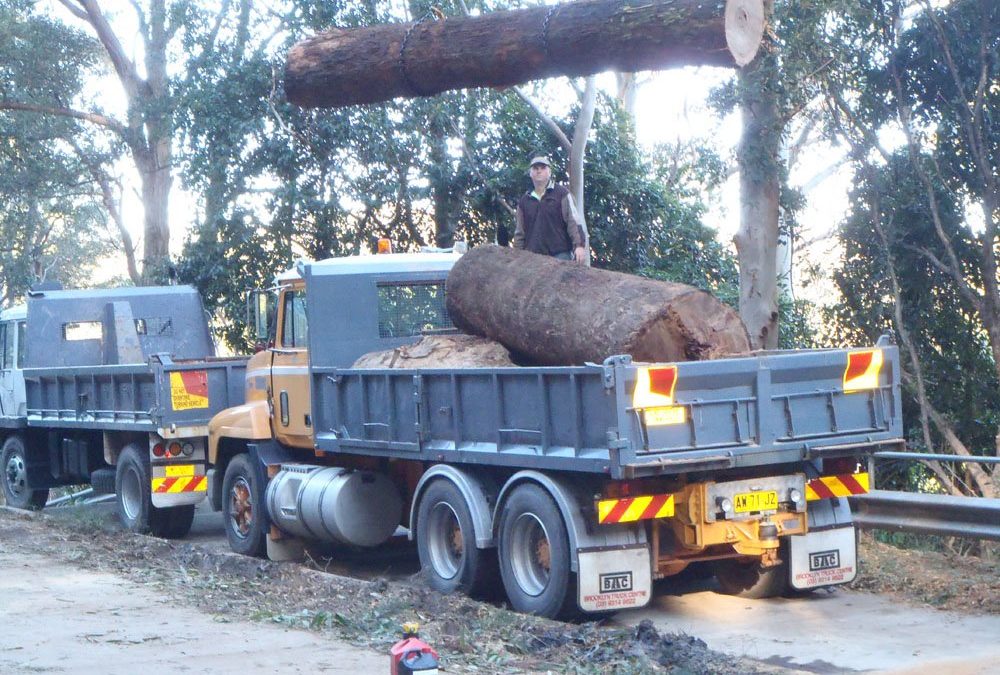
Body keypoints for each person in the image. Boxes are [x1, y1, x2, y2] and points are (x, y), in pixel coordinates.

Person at [513, 156, 587, 263]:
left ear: (549, 172)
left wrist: (579, 246)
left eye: (543, 168)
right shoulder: (524, 201)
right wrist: (517, 255)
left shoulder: (562, 194)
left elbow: (573, 222)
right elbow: (520, 231)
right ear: (530, 173)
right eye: (535, 168)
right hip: (533, 258)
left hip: (560, 255)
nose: (539, 171)